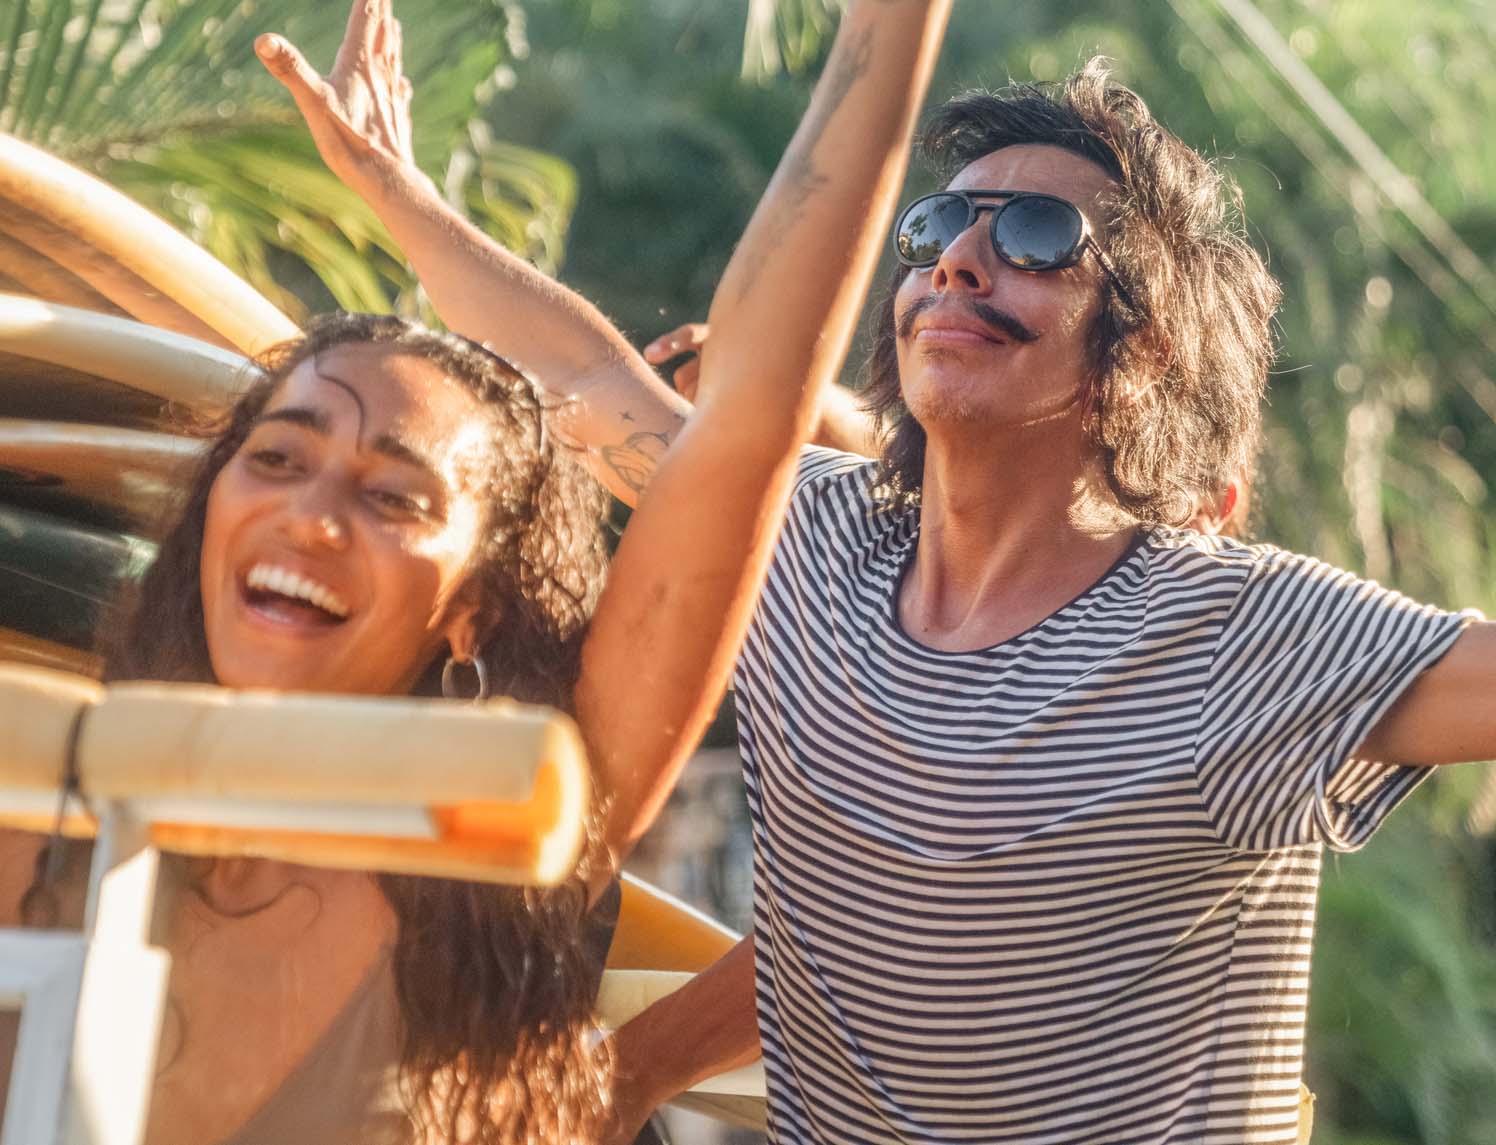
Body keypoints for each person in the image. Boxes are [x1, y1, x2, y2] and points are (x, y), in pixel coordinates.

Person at [265, 14, 1496, 1144]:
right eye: (933, 231)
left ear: (1146, 339)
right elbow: (590, 388)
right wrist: (395, 194)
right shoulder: (803, 542)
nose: (957, 263)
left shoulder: (1234, 627)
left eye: (1030, 239)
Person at [0, 1, 951, 1142]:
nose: (311, 515)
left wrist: (885, 33)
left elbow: (745, 412)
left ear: (473, 607)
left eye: (393, 495)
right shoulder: (46, 800)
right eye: (278, 459)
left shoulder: (511, 837)